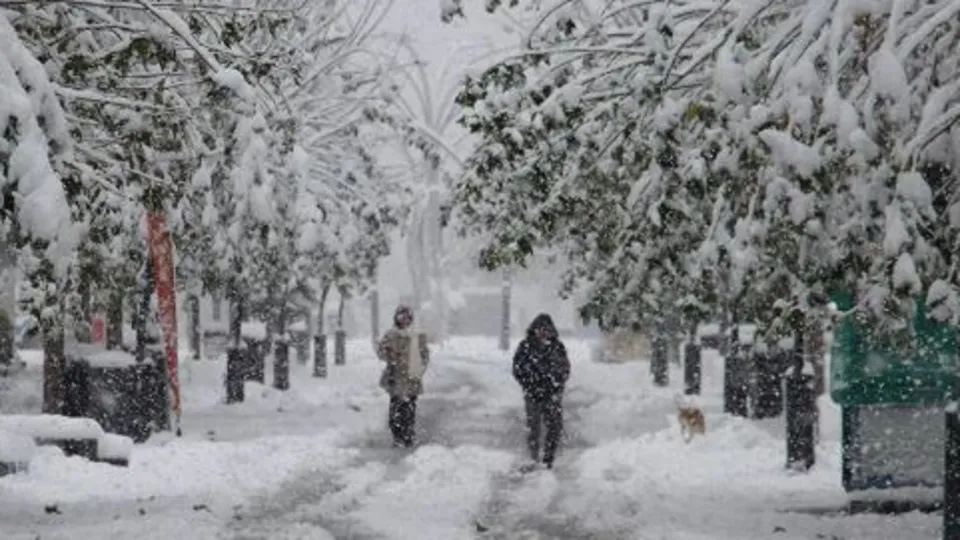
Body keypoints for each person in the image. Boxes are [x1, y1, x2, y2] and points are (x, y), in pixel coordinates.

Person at [513, 313, 571, 469]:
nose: (543, 332)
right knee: (534, 427)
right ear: (534, 330)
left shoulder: (557, 347)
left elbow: (564, 368)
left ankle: (548, 457)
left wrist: (556, 385)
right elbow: (518, 369)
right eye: (540, 329)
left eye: (546, 329)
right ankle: (533, 456)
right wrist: (530, 384)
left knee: (555, 426)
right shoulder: (525, 346)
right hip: (532, 394)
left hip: (551, 394)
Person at [377, 305, 430, 447]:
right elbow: (381, 353)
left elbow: (425, 355)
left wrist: (419, 370)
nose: (404, 319)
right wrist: (387, 352)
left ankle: (408, 436)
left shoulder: (418, 336)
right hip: (395, 377)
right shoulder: (390, 334)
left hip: (412, 378)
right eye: (402, 316)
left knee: (409, 409)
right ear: (397, 318)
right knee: (396, 409)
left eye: (407, 317)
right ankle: (397, 435)